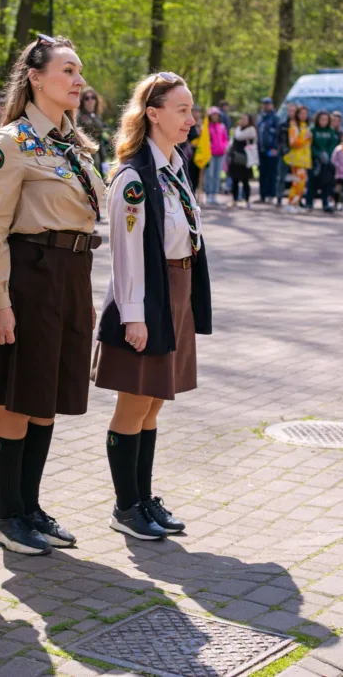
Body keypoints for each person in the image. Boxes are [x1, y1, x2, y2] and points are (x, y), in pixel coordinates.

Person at [0, 34, 105, 556]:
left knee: (47, 398)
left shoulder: (71, 143)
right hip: (29, 276)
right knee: (17, 396)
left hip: (72, 273)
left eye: (78, 72)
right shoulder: (10, 143)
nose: (78, 81)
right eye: (68, 71)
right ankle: (6, 516)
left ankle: (29, 507)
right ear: (36, 77)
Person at [95, 71, 210, 539]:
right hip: (146, 296)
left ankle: (144, 497)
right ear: (154, 114)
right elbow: (126, 254)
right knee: (134, 401)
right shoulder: (135, 176)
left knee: (155, 401)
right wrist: (134, 315)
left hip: (176, 292)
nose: (190, 118)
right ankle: (127, 507)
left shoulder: (174, 165)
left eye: (191, 109)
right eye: (181, 110)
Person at [306, 110, 337, 212]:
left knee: (326, 183)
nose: (323, 121)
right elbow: (310, 144)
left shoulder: (330, 131)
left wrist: (327, 154)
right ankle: (309, 202)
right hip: (315, 161)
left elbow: (333, 144)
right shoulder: (313, 130)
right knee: (312, 182)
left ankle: (325, 202)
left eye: (325, 119)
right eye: (321, 119)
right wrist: (318, 154)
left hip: (327, 161)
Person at [283, 105, 311, 212]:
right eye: (301, 113)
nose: (303, 116)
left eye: (305, 113)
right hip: (297, 159)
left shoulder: (306, 126)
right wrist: (305, 138)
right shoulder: (294, 127)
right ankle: (291, 203)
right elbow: (293, 142)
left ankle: (296, 203)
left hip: (304, 158)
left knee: (301, 182)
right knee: (298, 181)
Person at [227, 112, 256, 209]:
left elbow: (239, 136)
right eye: (241, 118)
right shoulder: (238, 129)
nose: (242, 121)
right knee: (234, 180)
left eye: (245, 119)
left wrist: (237, 129)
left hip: (245, 159)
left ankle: (247, 200)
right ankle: (234, 199)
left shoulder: (251, 130)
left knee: (245, 180)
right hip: (235, 158)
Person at [77, 86, 107, 174]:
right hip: (87, 152)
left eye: (93, 97)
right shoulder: (79, 116)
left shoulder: (97, 116)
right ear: (82, 101)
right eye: (87, 98)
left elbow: (101, 135)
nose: (90, 100)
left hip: (99, 150)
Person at [202, 107, 227, 205]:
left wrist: (225, 147)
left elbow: (225, 139)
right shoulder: (207, 126)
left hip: (220, 154)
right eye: (213, 114)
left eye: (216, 114)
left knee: (217, 175)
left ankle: (214, 194)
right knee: (210, 174)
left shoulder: (222, 126)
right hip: (210, 154)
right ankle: (208, 194)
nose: (215, 116)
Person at [257, 97, 279, 203]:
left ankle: (271, 194)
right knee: (262, 173)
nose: (266, 106)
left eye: (268, 104)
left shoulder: (275, 118)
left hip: (271, 150)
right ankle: (262, 195)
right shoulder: (260, 117)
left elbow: (278, 134)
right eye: (264, 104)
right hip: (261, 150)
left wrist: (275, 147)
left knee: (271, 173)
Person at [276, 101, 295, 206]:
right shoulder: (282, 124)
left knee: (296, 177)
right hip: (284, 154)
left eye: (293, 111)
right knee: (281, 177)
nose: (291, 113)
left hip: (296, 154)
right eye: (290, 110)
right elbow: (278, 139)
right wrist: (282, 149)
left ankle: (295, 199)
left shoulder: (299, 125)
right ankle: (279, 197)